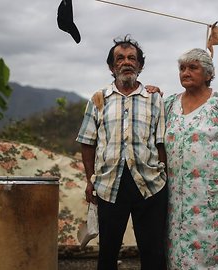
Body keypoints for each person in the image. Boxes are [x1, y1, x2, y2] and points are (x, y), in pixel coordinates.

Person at [76, 35, 167, 270]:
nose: (126, 62)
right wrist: (90, 180)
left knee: (153, 251)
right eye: (120, 58)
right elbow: (88, 142)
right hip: (109, 184)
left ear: (140, 65)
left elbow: (161, 143)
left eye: (131, 58)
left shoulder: (154, 99)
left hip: (149, 184)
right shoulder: (98, 99)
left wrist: (165, 176)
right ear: (111, 66)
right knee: (107, 252)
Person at [164, 48, 218, 269]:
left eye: (193, 67)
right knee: (180, 254)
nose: (186, 72)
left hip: (214, 194)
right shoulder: (170, 103)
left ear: (208, 74)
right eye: (182, 68)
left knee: (215, 254)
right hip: (178, 199)